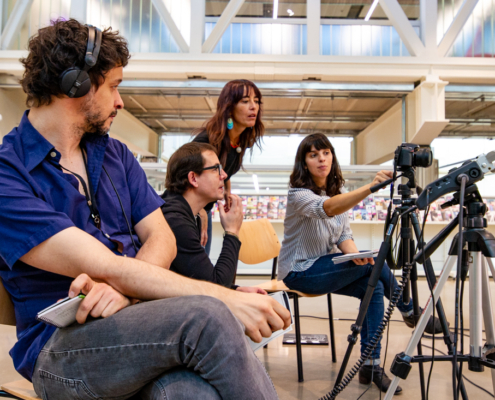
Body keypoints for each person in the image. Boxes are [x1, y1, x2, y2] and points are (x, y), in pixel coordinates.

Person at [0, 19, 290, 400]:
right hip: (59, 351)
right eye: (115, 87)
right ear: (77, 84)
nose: (120, 101)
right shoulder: (9, 173)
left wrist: (129, 295)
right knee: (209, 316)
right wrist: (227, 297)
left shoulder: (116, 155)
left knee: (187, 394)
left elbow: (162, 237)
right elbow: (106, 265)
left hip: (135, 325)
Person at [278, 133, 443, 394]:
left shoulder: (336, 192)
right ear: (304, 163)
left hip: (323, 266)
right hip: (298, 272)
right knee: (373, 267)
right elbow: (328, 208)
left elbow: (344, 235)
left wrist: (356, 256)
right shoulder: (298, 195)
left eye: (326, 153)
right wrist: (370, 187)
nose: (321, 159)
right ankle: (410, 310)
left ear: (332, 156)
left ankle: (371, 365)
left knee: (373, 282)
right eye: (313, 155)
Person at [160, 141, 266, 294]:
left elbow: (200, 278)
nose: (224, 175)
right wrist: (232, 231)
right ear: (193, 178)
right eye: (216, 169)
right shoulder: (176, 221)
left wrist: (237, 290)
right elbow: (216, 288)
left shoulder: (183, 212)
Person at [192, 79, 264, 255]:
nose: (253, 106)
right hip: (190, 211)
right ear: (229, 107)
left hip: (204, 210)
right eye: (245, 101)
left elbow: (225, 168)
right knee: (193, 273)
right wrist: (199, 210)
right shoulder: (207, 141)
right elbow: (179, 177)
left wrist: (227, 192)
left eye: (256, 101)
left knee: (202, 269)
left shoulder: (240, 140)